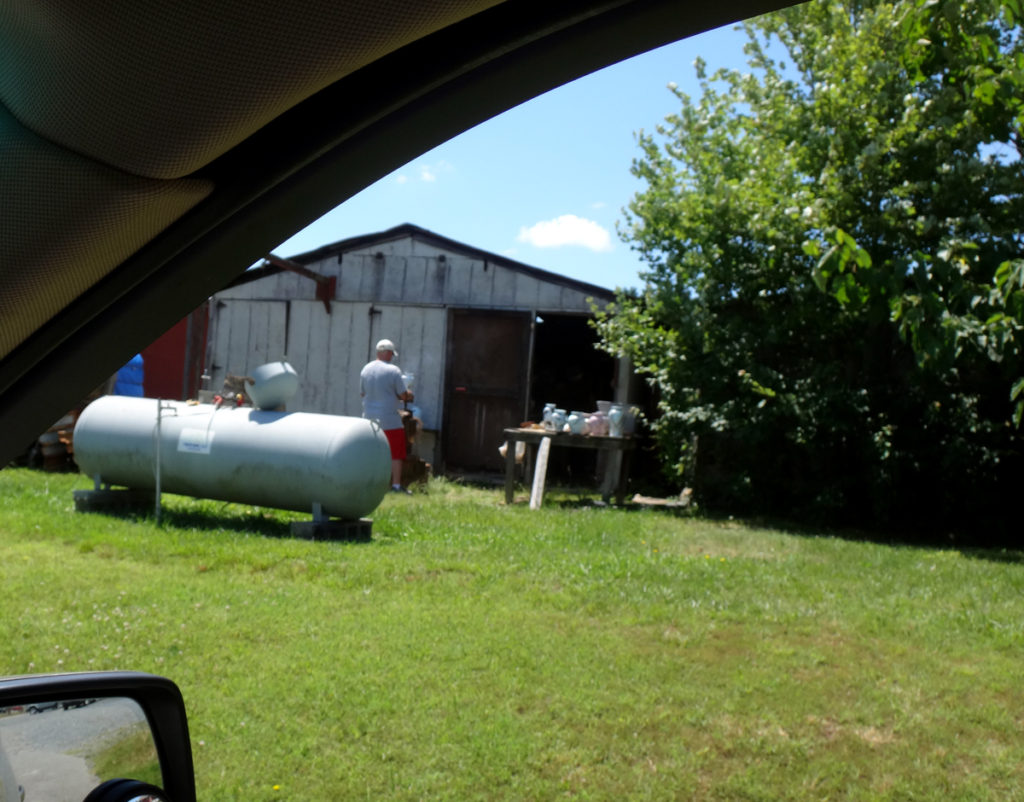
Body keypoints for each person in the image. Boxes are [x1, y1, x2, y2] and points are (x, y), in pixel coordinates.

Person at [360, 338, 414, 494]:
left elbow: (363, 393)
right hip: (389, 419)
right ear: (388, 352)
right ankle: (396, 486)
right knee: (396, 453)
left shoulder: (365, 369)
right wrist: (409, 394)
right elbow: (403, 395)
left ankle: (369, 484)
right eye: (391, 354)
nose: (391, 357)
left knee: (372, 453)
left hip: (369, 420)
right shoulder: (394, 371)